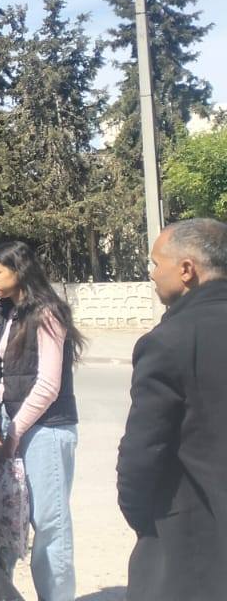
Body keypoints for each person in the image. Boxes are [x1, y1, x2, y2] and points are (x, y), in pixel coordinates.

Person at [118, 218, 227, 600]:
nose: (151, 274)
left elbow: (142, 454)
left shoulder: (168, 342)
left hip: (191, 547)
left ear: (186, 269)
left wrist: (144, 521)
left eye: (155, 263)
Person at [0, 241, 82, 601]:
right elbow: (2, 378)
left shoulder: (47, 313)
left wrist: (14, 433)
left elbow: (48, 385)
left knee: (50, 524)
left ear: (19, 270)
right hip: (14, 423)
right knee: (7, 519)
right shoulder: (7, 314)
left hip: (47, 428)